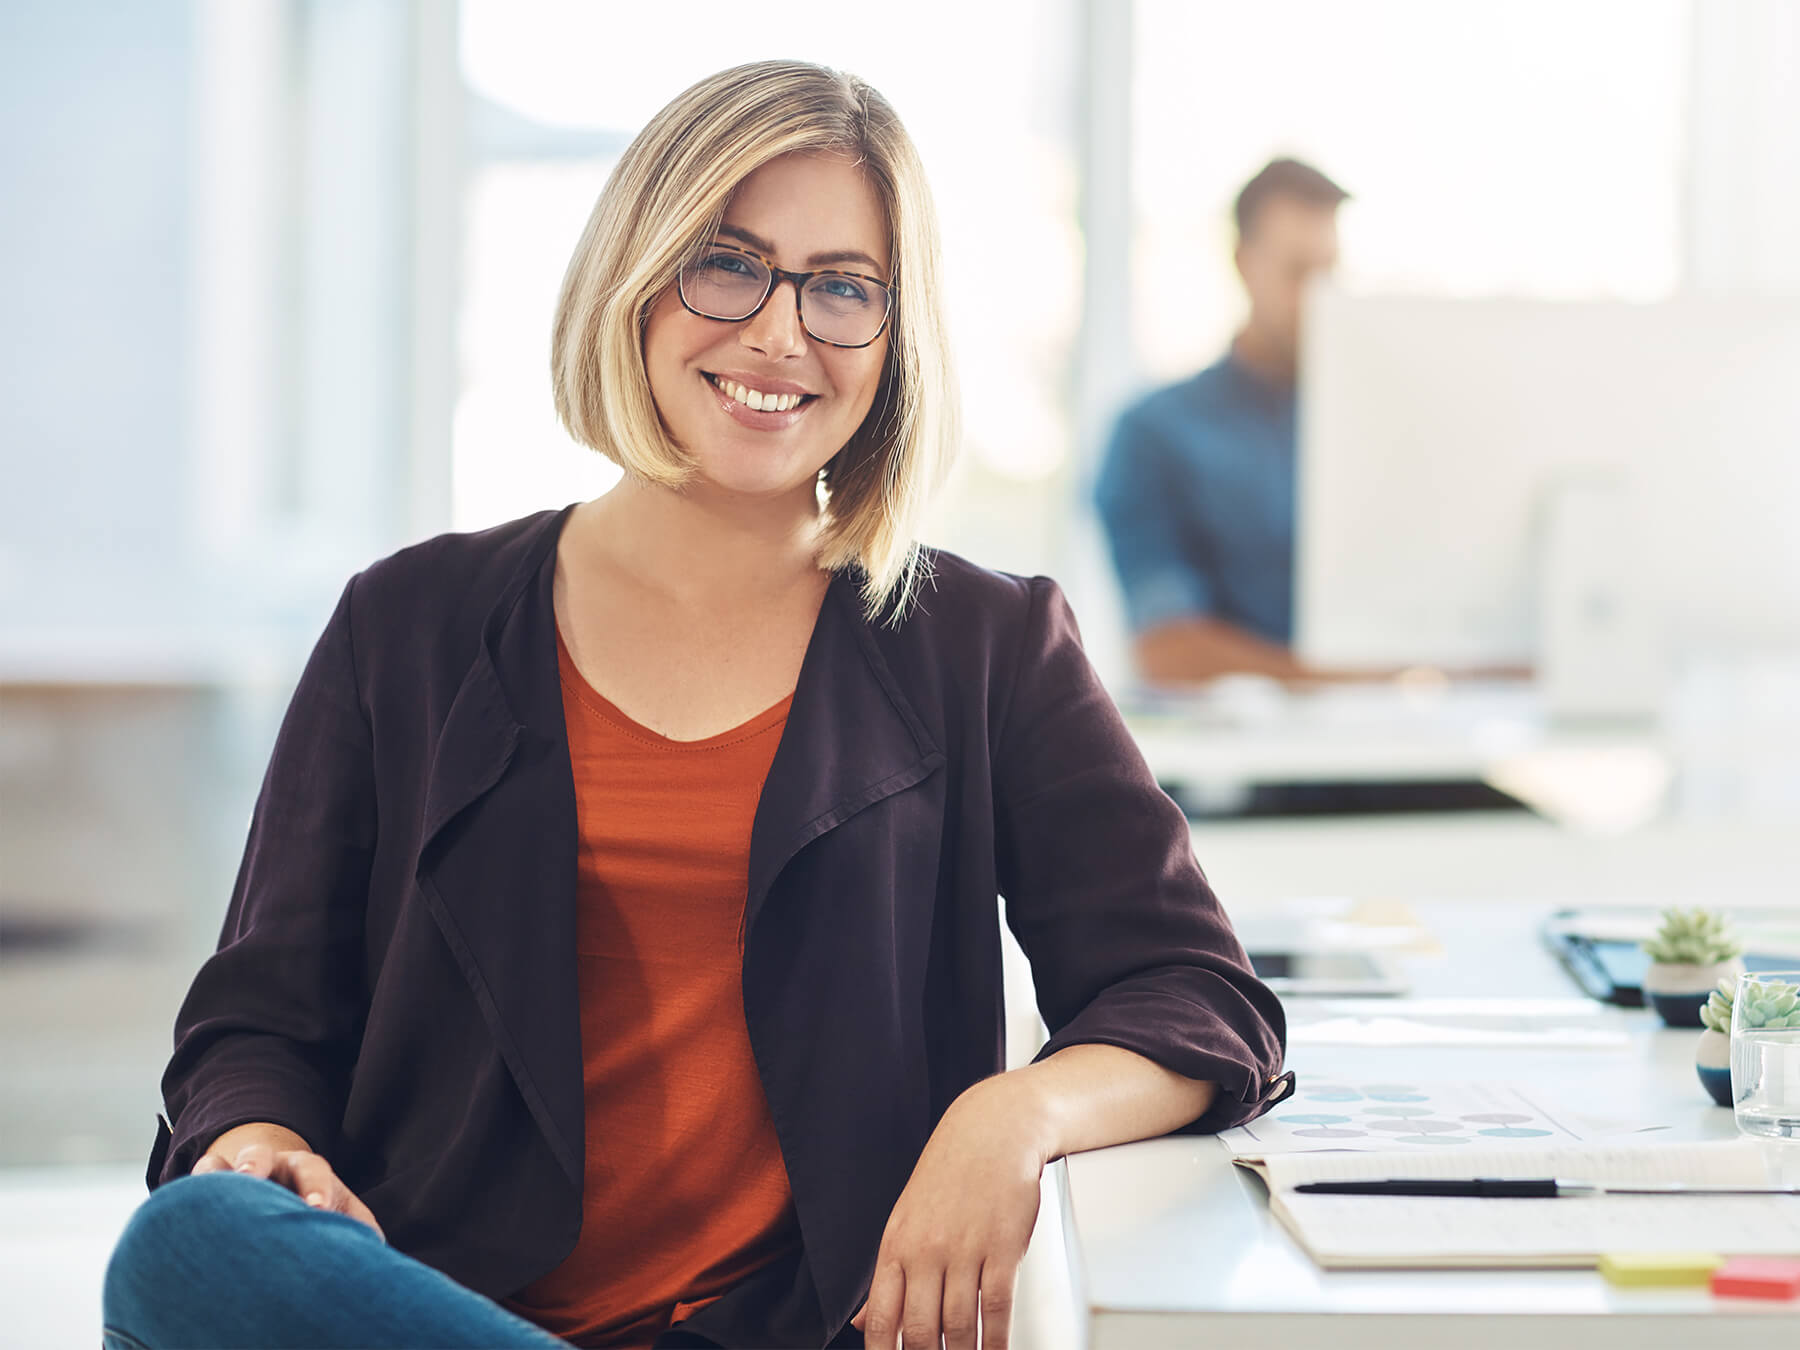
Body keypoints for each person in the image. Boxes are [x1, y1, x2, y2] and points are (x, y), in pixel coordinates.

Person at [102, 61, 1290, 1350]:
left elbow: (1197, 994)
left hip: (794, 1329)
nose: (782, 334)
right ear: (637, 277)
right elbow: (258, 1018)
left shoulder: (985, 643)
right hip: (438, 1307)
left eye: (843, 287)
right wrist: (260, 1138)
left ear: (894, 339)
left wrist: (1009, 1115)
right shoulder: (409, 624)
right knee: (189, 1244)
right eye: (728, 264)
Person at [1094, 157, 1349, 685]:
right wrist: (1353, 682)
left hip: (1406, 743)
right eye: (1299, 272)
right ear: (1243, 263)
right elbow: (1168, 649)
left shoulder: (1373, 432)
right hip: (1239, 758)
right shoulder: (1155, 432)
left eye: (1332, 273)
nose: (1320, 299)